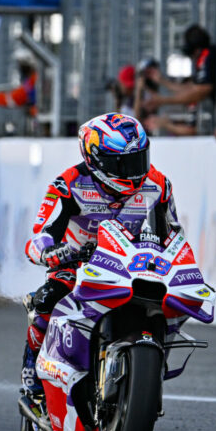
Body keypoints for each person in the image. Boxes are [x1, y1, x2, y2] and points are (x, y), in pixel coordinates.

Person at [19, 113, 184, 400]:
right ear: (96, 159)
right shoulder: (68, 184)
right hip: (77, 264)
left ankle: (151, 364)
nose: (133, 172)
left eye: (138, 160)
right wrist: (51, 252)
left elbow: (173, 233)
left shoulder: (159, 185)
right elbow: (41, 233)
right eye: (122, 163)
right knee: (47, 300)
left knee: (171, 302)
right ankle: (31, 378)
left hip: (134, 264)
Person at [142, 25, 216, 136]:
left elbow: (201, 91)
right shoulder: (203, 59)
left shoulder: (208, 55)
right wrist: (162, 81)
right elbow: (192, 89)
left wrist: (163, 102)